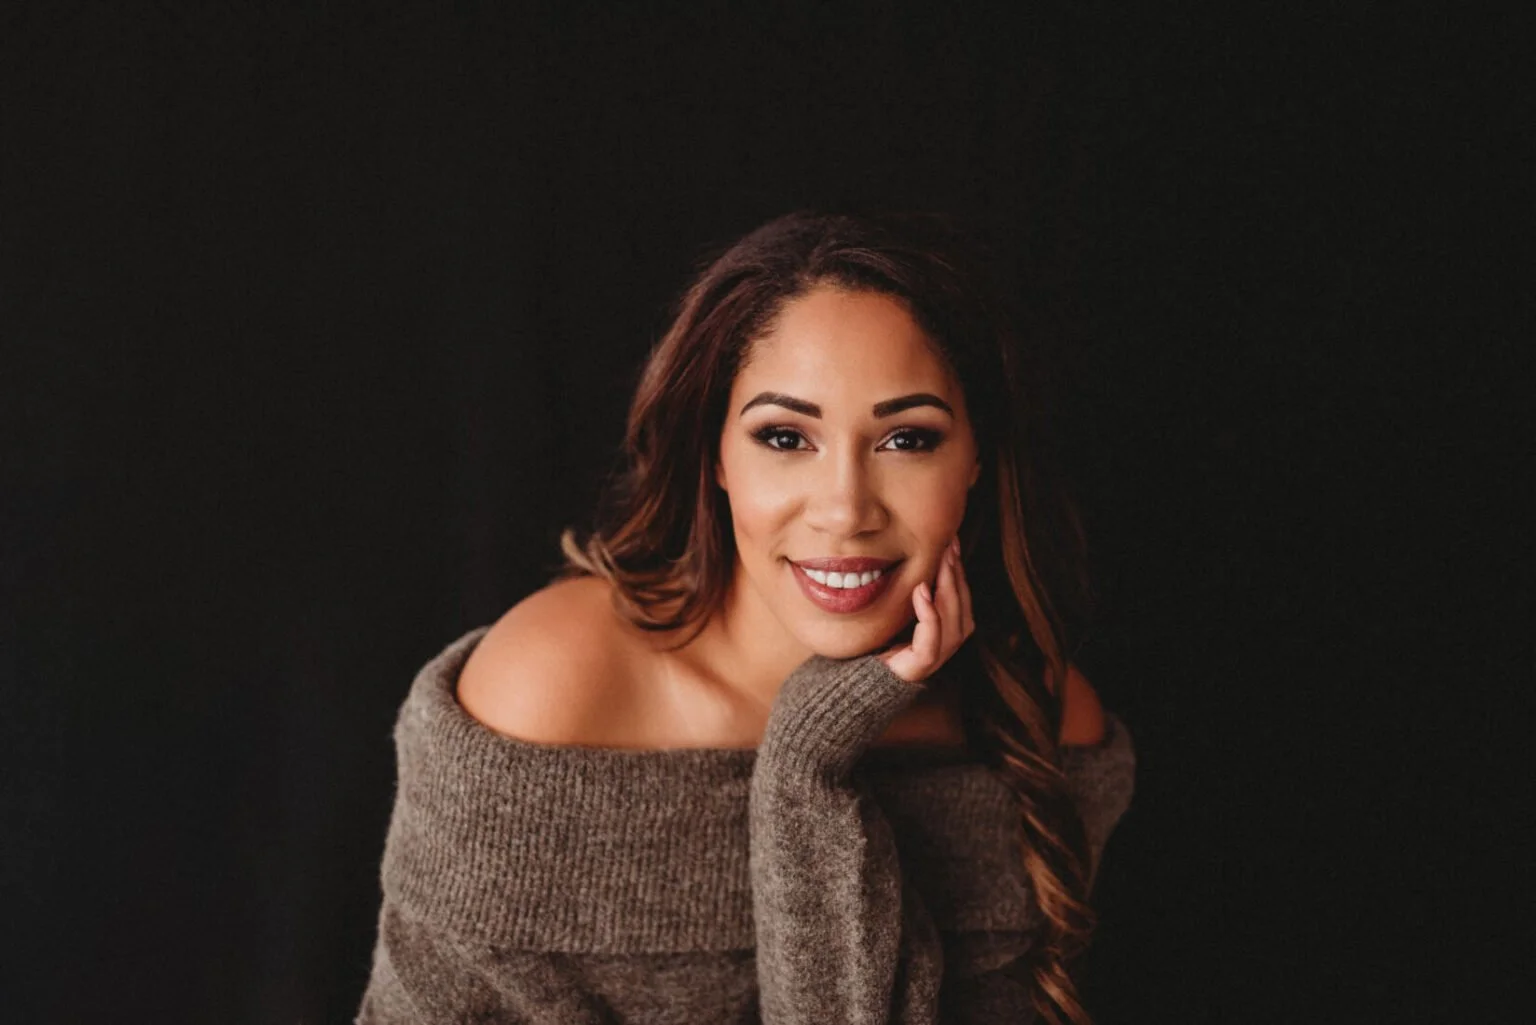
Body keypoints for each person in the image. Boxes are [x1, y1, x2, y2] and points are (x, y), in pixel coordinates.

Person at [355, 211, 1136, 1024]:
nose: (844, 510)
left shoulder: (1035, 719)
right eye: (785, 436)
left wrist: (807, 767)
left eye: (906, 439)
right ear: (715, 454)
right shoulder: (549, 693)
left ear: (975, 458)